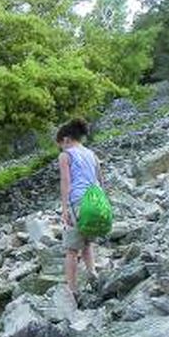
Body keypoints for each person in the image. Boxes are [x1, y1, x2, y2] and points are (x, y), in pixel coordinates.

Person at [57, 118, 103, 296]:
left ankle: (72, 290)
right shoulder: (91, 154)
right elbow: (100, 180)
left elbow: (66, 182)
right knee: (87, 242)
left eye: (61, 145)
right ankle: (93, 274)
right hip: (96, 202)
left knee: (71, 249)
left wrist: (65, 209)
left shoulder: (66, 156)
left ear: (66, 139)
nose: (61, 149)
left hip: (78, 202)